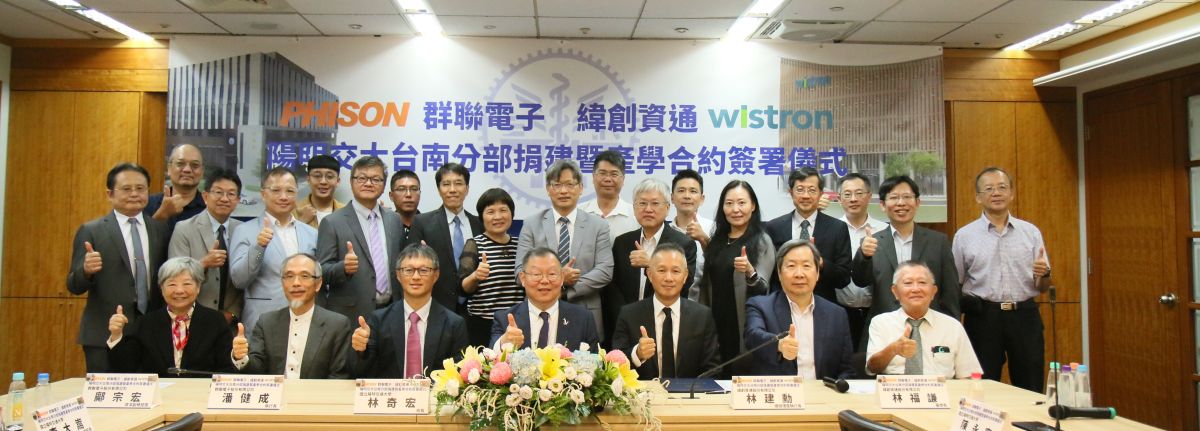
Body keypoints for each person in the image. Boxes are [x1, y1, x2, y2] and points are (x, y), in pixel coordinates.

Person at [953, 167, 1051, 392]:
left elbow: (1043, 286)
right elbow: (955, 283)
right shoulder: (964, 236)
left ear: (1011, 193)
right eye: (989, 189)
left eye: (1002, 187)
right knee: (981, 387)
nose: (996, 193)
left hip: (1024, 316)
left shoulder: (1030, 232)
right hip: (983, 318)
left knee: (1030, 385)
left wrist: (1044, 275)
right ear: (978, 197)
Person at [68, 163, 169, 372]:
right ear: (110, 194)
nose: (134, 194)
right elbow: (74, 285)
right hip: (104, 333)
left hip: (149, 333)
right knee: (105, 391)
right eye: (126, 189)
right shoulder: (92, 230)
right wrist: (86, 271)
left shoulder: (159, 229)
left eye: (140, 188)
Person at [515, 160, 613, 339]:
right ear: (548, 188)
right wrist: (560, 277)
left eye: (569, 184)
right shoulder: (531, 224)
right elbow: (520, 271)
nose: (563, 191)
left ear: (581, 188)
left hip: (585, 309)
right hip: (539, 312)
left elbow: (605, 270)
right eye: (557, 185)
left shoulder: (598, 225)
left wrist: (565, 288)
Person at [851, 175, 960, 323]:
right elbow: (860, 281)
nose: (901, 203)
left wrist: (952, 326)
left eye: (907, 197)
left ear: (917, 202)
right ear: (882, 205)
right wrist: (864, 255)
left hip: (929, 324)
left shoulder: (938, 242)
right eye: (894, 197)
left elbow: (950, 292)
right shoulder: (872, 242)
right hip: (885, 325)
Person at [352, 244, 470, 378]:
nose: (416, 276)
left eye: (424, 270)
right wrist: (361, 350)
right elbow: (362, 371)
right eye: (408, 270)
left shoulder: (454, 324)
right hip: (392, 392)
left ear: (436, 275)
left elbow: (459, 376)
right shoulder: (379, 320)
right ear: (398, 275)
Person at [694, 180, 774, 376]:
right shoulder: (718, 239)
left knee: (739, 375)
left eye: (741, 203)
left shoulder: (761, 240)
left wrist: (750, 271)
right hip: (715, 320)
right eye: (729, 203)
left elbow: (764, 288)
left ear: (753, 206)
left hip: (743, 323)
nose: (735, 209)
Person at [744, 239, 854, 380]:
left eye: (806, 266)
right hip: (779, 391)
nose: (799, 274)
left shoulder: (837, 314)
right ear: (779, 273)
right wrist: (778, 344)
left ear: (817, 273)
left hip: (823, 391)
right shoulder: (760, 305)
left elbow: (846, 369)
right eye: (791, 266)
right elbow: (753, 336)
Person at [107, 257, 235, 376]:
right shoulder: (146, 323)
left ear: (198, 287)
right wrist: (116, 335)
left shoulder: (215, 321)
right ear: (161, 289)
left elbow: (227, 367)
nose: (179, 290)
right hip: (158, 391)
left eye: (187, 284)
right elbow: (125, 368)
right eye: (172, 284)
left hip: (201, 391)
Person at [231, 253, 353, 379]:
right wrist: (241, 358)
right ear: (282, 283)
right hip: (277, 392)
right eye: (289, 276)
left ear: (318, 284)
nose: (296, 283)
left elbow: (338, 377)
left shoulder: (337, 325)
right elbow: (256, 370)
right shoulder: (266, 322)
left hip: (316, 392)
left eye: (304, 276)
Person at [604, 178, 696, 343]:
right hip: (626, 325)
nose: (648, 209)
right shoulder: (622, 242)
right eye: (642, 203)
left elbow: (684, 284)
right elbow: (613, 287)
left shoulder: (683, 243)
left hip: (664, 323)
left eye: (655, 203)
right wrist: (626, 317)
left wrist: (652, 264)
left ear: (667, 208)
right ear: (634, 208)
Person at [610, 243, 718, 380]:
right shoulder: (629, 314)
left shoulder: (702, 316)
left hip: (688, 391)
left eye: (676, 271)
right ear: (650, 274)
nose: (669, 278)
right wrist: (637, 354)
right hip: (644, 392)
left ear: (685, 276)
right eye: (661, 270)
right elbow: (614, 366)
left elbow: (712, 369)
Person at [316, 156, 405, 321]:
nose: (369, 183)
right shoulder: (332, 222)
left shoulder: (394, 220)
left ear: (384, 185)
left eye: (376, 179)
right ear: (351, 182)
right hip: (351, 313)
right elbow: (320, 271)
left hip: (392, 312)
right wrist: (343, 268)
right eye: (362, 178)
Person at [230, 167, 318, 331]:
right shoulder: (244, 230)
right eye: (276, 190)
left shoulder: (311, 233)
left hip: (306, 320)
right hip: (263, 320)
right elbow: (239, 280)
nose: (283, 196)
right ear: (263, 194)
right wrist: (259, 247)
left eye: (290, 191)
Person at [866, 261, 981, 378]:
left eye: (922, 282)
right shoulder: (881, 323)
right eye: (908, 283)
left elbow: (970, 374)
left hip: (941, 388)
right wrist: (893, 349)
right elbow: (872, 368)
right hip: (895, 387)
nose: (916, 289)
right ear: (895, 292)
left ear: (933, 291)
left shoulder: (952, 326)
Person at [168, 169, 244, 326]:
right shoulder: (184, 229)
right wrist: (203, 263)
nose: (224, 198)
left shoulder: (243, 230)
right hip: (192, 319)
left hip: (231, 323)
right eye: (218, 192)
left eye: (231, 194)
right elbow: (174, 277)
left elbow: (248, 277)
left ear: (238, 200)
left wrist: (233, 313)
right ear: (205, 196)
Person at [765, 167, 852, 302]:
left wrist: (820, 262)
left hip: (823, 306)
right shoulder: (774, 227)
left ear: (820, 193)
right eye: (800, 190)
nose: (806, 196)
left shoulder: (837, 228)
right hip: (782, 304)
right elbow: (770, 275)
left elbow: (844, 278)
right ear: (790, 192)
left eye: (812, 190)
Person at [408, 163, 483, 313]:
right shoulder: (422, 223)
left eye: (458, 183)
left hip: (476, 307)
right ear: (439, 189)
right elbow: (410, 265)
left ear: (467, 189)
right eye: (446, 184)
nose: (452, 190)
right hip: (436, 305)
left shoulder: (479, 224)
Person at [491, 247, 600, 351]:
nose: (544, 281)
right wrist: (503, 343)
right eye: (536, 274)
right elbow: (489, 357)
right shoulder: (504, 319)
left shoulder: (583, 318)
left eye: (552, 274)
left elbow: (594, 361)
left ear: (562, 278)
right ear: (523, 278)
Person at [458, 188, 525, 346]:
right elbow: (462, 288)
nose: (497, 217)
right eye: (490, 212)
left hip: (516, 325)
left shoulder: (521, 245)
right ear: (481, 216)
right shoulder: (475, 244)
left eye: (503, 210)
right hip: (482, 326)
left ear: (512, 214)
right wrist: (475, 276)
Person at [836, 173, 889, 350]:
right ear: (839, 199)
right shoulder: (832, 229)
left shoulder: (885, 230)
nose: (853, 199)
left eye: (859, 193)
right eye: (847, 194)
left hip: (878, 311)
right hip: (840, 310)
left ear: (869, 196)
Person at [144, 144, 206, 231]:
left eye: (195, 165)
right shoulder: (147, 203)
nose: (187, 170)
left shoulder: (209, 208)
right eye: (180, 164)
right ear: (169, 168)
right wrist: (162, 215)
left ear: (202, 172)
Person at [669, 169, 712, 292]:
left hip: (704, 301)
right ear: (672, 198)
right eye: (681, 191)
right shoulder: (664, 230)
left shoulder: (714, 228)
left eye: (693, 191)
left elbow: (722, 266)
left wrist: (704, 239)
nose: (687, 196)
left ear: (702, 198)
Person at [581, 150, 639, 241]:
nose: (608, 179)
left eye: (614, 174)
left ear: (623, 179)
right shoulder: (579, 212)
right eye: (602, 173)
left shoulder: (636, 215)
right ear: (593, 177)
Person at [294, 155, 345, 228]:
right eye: (317, 176)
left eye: (329, 177)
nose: (323, 182)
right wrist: (302, 221)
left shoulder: (347, 213)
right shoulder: (294, 211)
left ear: (338, 181)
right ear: (308, 180)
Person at [388, 169, 422, 241]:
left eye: (414, 189)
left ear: (419, 194)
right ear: (391, 196)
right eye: (401, 189)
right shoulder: (385, 226)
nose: (408, 195)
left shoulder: (429, 226)